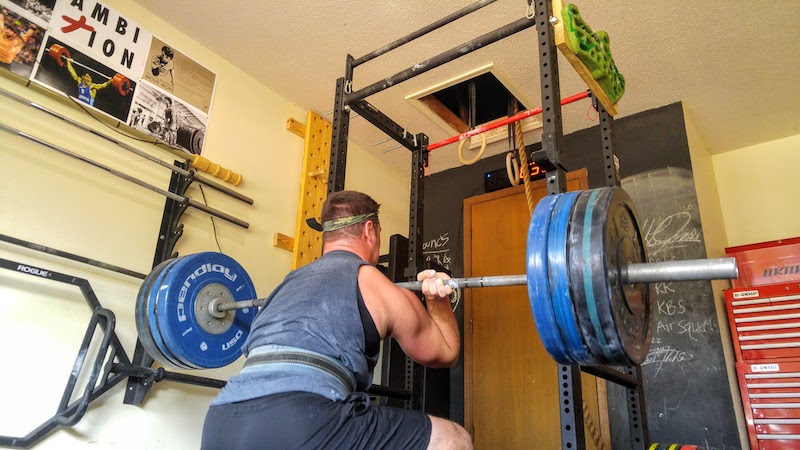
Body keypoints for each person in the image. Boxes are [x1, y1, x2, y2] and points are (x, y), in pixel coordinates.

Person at [202, 190, 472, 449]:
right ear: (369, 230)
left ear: (327, 236)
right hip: (301, 419)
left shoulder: (286, 285)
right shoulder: (376, 285)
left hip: (221, 421)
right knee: (453, 440)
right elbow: (446, 353)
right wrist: (438, 301)